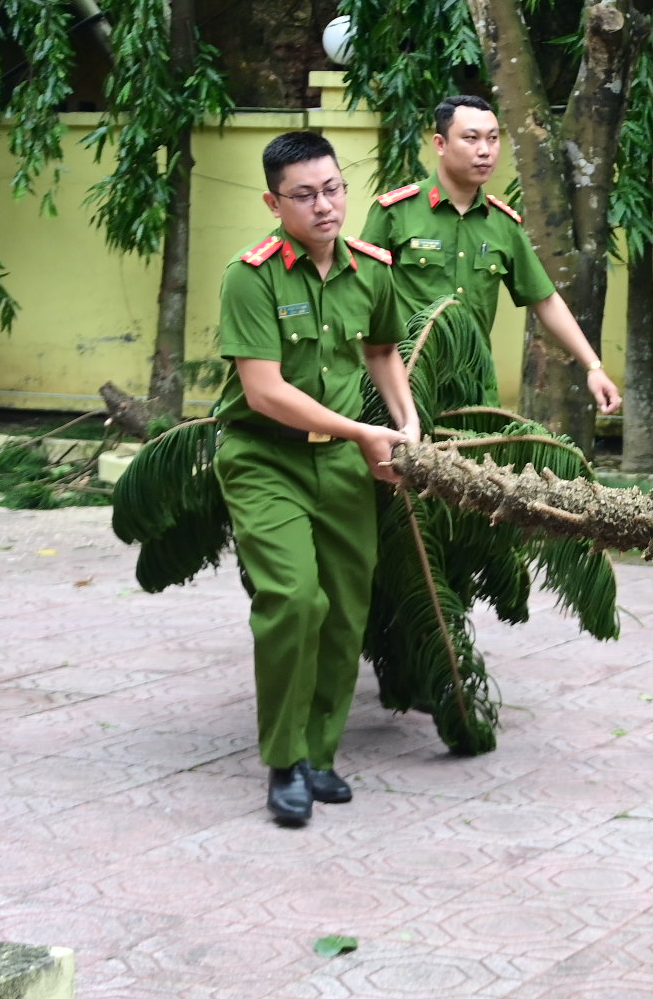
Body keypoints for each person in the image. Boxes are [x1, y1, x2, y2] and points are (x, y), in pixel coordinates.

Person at [213, 131, 419, 826]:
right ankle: (284, 760)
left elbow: (385, 348)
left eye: (333, 188)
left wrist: (406, 423)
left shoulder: (371, 268)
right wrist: (366, 432)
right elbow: (264, 390)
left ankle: (320, 756)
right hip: (263, 455)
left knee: (344, 607)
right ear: (275, 202)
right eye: (304, 195)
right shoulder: (253, 275)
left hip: (338, 461)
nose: (324, 206)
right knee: (295, 599)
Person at [360, 94, 622, 413]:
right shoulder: (395, 212)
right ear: (440, 144)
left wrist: (593, 367)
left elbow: (545, 299)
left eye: (493, 139)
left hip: (473, 395)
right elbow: (358, 295)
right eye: (471, 138)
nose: (485, 150)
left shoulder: (503, 225)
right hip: (403, 387)